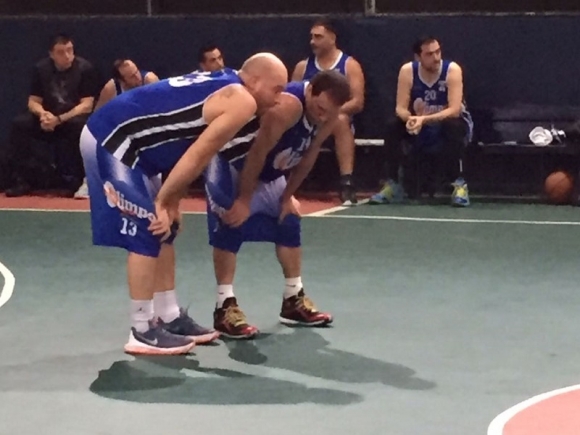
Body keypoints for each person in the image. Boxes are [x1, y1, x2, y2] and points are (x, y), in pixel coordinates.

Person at [80, 53, 288, 355]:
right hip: (111, 137)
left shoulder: (229, 83)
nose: (280, 98)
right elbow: (199, 153)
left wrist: (173, 201)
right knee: (149, 227)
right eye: (277, 89)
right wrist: (163, 201)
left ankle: (169, 315)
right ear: (254, 81)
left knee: (166, 229)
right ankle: (141, 329)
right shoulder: (243, 101)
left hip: (141, 148)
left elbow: (183, 142)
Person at [202, 70, 351, 338]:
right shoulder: (288, 107)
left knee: (289, 218)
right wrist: (244, 200)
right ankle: (224, 306)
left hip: (268, 174)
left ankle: (293, 299)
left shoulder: (329, 116)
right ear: (310, 91)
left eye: (329, 112)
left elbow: (309, 154)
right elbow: (257, 153)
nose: (323, 116)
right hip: (232, 164)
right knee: (231, 218)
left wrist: (287, 196)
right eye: (319, 108)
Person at [370, 36, 473, 206]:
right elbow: (400, 108)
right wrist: (409, 119)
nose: (436, 58)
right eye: (430, 54)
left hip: (446, 122)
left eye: (438, 52)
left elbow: (454, 110)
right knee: (392, 127)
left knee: (453, 127)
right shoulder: (407, 71)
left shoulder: (452, 70)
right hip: (419, 123)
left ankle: (459, 185)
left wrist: (423, 119)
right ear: (418, 57)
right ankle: (393, 183)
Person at [4, 33, 99, 198]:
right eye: (61, 52)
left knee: (82, 128)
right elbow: (33, 101)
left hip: (70, 119)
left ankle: (77, 180)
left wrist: (60, 119)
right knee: (19, 124)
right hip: (47, 119)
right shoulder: (41, 69)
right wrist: (43, 114)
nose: (67, 56)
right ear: (51, 54)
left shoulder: (85, 69)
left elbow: (86, 105)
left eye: (70, 50)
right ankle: (22, 180)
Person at [291, 18, 365, 206]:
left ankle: (346, 182)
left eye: (318, 37)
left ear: (332, 38)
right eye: (311, 37)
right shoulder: (302, 67)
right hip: (307, 119)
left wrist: (329, 112)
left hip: (334, 121)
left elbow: (357, 102)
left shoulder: (349, 65)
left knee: (339, 120)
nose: (312, 41)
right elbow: (292, 97)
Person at [94, 59, 159, 110]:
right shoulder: (111, 88)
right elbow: (97, 113)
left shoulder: (150, 81)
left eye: (137, 71)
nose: (138, 77)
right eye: (132, 76)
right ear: (122, 81)